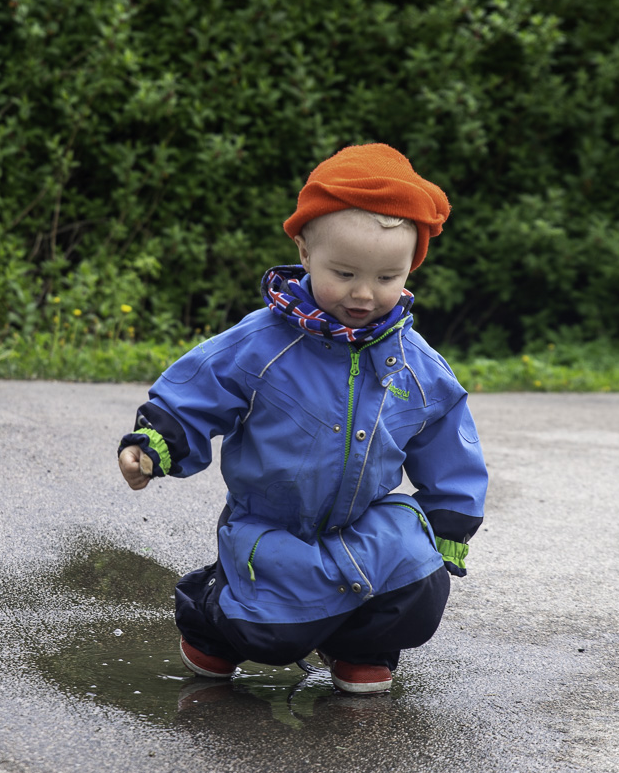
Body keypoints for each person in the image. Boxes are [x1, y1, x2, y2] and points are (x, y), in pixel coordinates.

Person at [117, 143, 487, 694]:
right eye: (344, 272)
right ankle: (213, 614)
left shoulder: (418, 364)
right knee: (271, 633)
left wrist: (451, 522)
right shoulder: (263, 343)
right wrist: (154, 444)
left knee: (418, 576)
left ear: (411, 267)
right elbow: (196, 390)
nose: (364, 294)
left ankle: (363, 647)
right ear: (304, 249)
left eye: (388, 277)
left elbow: (448, 442)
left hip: (365, 524)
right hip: (275, 524)